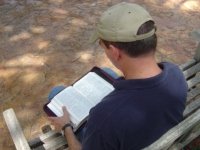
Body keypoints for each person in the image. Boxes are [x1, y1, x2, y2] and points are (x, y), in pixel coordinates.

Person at [48, 2, 188, 150]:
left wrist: (66, 127)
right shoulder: (175, 73)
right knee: (107, 73)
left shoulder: (105, 117)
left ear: (115, 52)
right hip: (150, 130)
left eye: (102, 46)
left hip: (112, 129)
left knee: (56, 92)